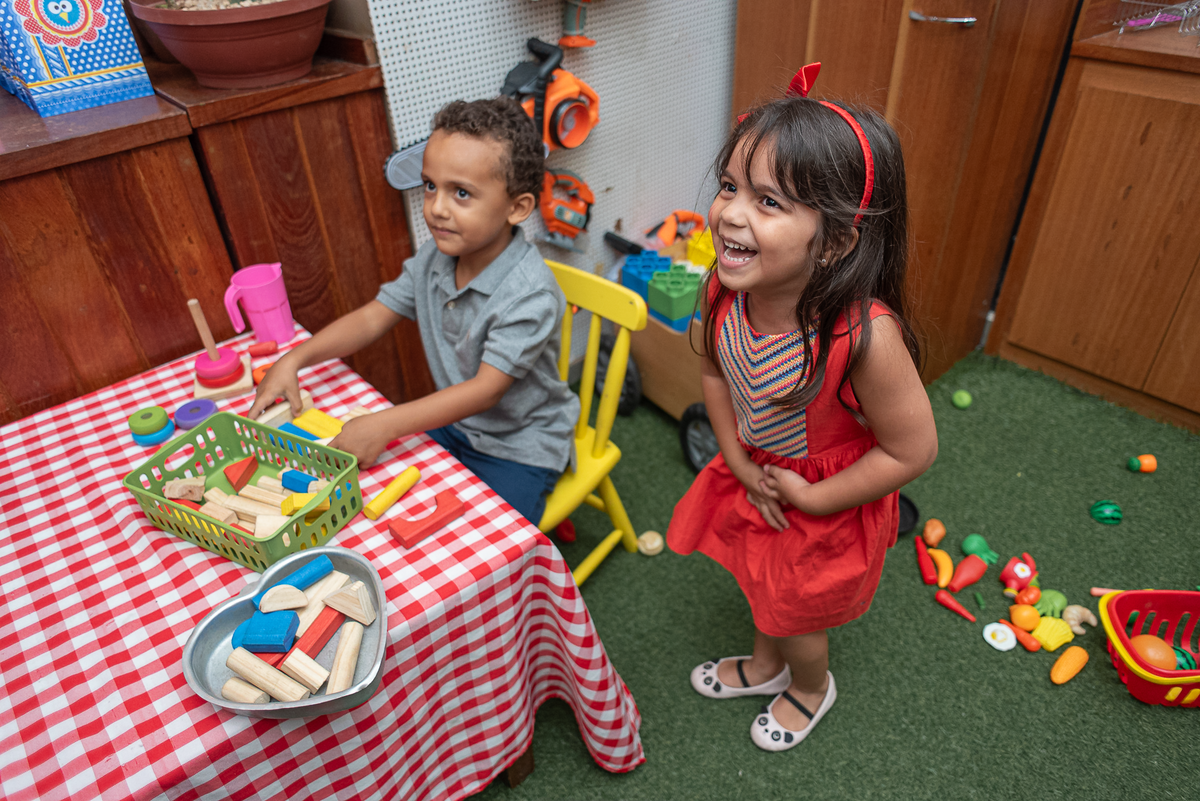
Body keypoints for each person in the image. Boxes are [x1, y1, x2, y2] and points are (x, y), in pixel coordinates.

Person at [667, 64, 938, 752]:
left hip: (824, 502)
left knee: (799, 614)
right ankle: (764, 668)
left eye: (768, 201)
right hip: (759, 475)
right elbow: (714, 371)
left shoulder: (864, 337)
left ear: (839, 241)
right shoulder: (722, 293)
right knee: (764, 584)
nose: (728, 211)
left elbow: (912, 450)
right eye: (730, 186)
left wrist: (817, 499)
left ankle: (810, 688)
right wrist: (733, 456)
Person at [248, 97, 578, 525]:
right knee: (376, 499)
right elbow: (373, 316)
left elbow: (486, 391)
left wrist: (385, 424)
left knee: (488, 544)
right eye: (429, 185)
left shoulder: (530, 294)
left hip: (519, 445)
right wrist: (294, 359)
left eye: (461, 193)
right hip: (456, 426)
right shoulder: (434, 258)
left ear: (517, 208)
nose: (437, 208)